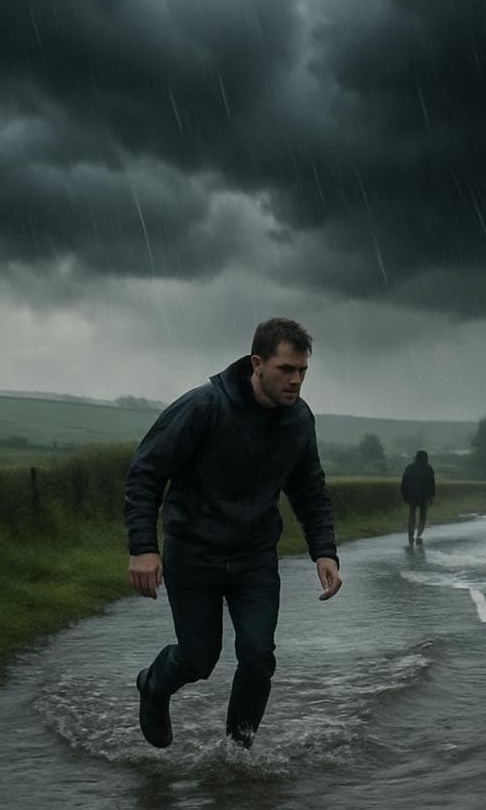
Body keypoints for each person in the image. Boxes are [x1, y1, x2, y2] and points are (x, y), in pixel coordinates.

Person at [123, 317, 342, 750]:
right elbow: (146, 473)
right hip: (193, 553)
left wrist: (325, 550)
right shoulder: (204, 406)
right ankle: (153, 685)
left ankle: (237, 753)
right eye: (285, 369)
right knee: (198, 658)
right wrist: (143, 548)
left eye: (302, 371)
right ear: (257, 363)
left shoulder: (299, 420)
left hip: (254, 558)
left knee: (258, 656)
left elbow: (309, 489)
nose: (295, 380)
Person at [400, 449, 436, 546]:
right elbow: (432, 484)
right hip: (424, 496)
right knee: (423, 515)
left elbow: (404, 483)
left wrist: (404, 495)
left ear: (416, 457)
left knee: (411, 515)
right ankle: (419, 533)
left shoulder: (409, 467)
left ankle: (410, 535)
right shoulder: (428, 468)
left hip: (412, 495)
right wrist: (432, 496)